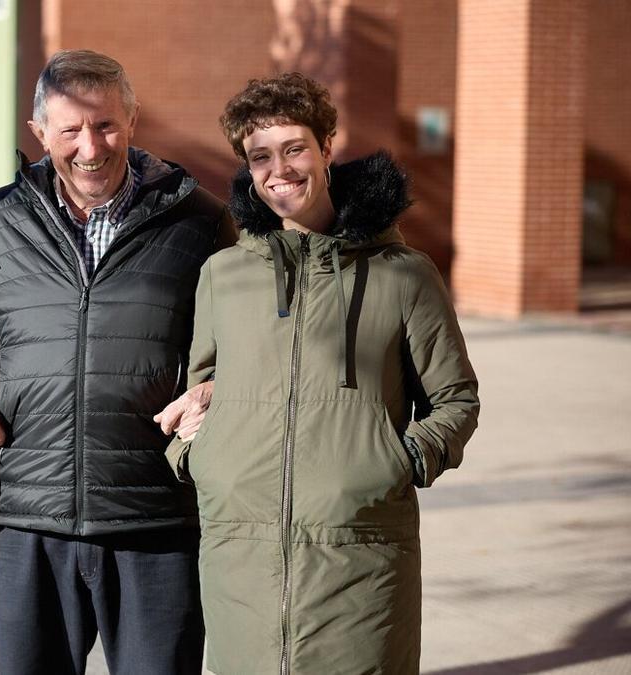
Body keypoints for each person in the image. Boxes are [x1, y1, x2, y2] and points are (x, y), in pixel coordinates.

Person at [160, 72, 481, 673]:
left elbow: (456, 399)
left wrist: (396, 462)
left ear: (326, 147)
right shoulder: (223, 275)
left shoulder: (403, 274)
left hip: (360, 555)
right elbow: (201, 388)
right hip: (240, 556)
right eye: (260, 157)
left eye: (294, 148)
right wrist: (196, 455)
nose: (279, 168)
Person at [0, 49, 232, 674]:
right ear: (40, 133)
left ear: (132, 120)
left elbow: (244, 343)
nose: (90, 147)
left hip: (154, 518)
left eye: (105, 125)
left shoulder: (201, 221)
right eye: (70, 129)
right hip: (29, 517)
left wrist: (216, 390)